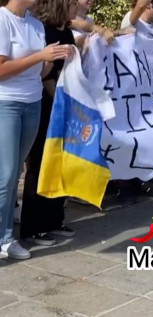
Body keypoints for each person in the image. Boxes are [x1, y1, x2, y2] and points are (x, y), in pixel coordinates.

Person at [0, 0, 70, 260]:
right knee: (6, 175)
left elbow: (39, 71)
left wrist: (54, 60)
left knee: (15, 171)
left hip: (33, 102)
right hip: (6, 103)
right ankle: (4, 237)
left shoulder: (36, 24)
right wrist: (40, 56)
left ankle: (6, 236)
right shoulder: (2, 19)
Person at [21, 0, 77, 247]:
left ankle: (55, 218)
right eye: (73, 2)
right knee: (40, 164)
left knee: (61, 162)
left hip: (65, 102)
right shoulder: (45, 30)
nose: (77, 6)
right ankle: (33, 227)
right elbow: (46, 74)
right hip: (47, 103)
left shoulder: (66, 30)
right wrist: (59, 101)